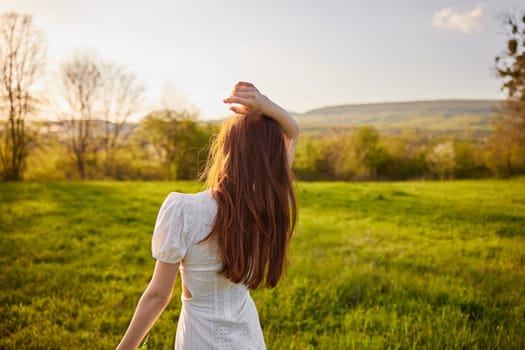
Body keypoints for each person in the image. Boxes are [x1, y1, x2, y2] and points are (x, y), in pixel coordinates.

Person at [116, 82, 299, 349]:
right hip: (249, 339)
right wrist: (265, 105)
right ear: (272, 163)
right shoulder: (266, 204)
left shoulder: (184, 210)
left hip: (200, 339)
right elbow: (293, 131)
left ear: (226, 151)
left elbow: (158, 296)